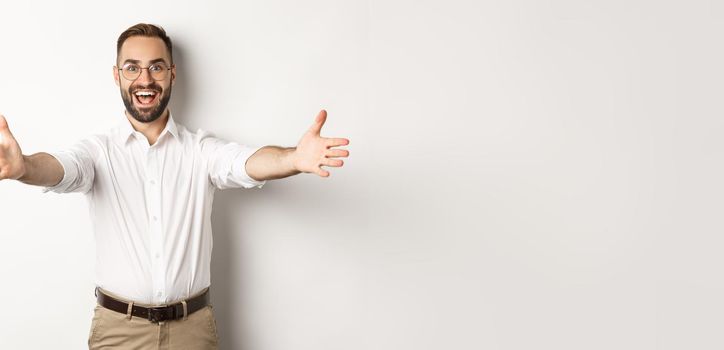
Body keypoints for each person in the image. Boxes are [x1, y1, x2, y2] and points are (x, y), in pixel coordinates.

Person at [0, 23, 350, 349]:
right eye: (132, 67)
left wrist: (292, 158)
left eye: (156, 67)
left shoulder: (199, 151)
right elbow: (61, 168)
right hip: (119, 330)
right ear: (117, 75)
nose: (145, 79)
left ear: (172, 74)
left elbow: (245, 162)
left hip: (192, 330)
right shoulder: (97, 152)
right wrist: (24, 167)